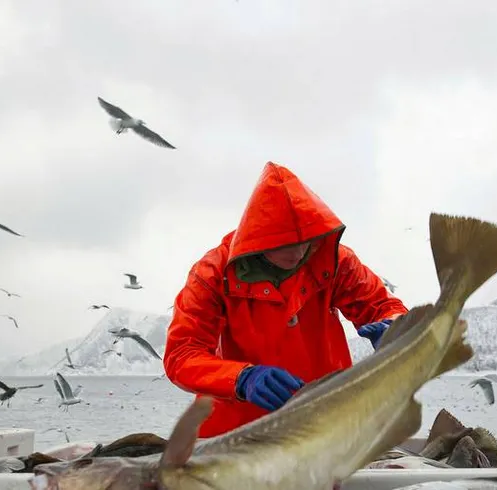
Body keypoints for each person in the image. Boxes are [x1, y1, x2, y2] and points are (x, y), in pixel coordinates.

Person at [163, 161, 409, 438]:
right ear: (256, 236)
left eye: (306, 239)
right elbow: (181, 355)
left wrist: (396, 328)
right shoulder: (211, 274)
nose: (298, 251)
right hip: (235, 434)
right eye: (283, 242)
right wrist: (241, 378)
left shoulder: (336, 261)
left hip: (326, 425)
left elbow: (383, 306)